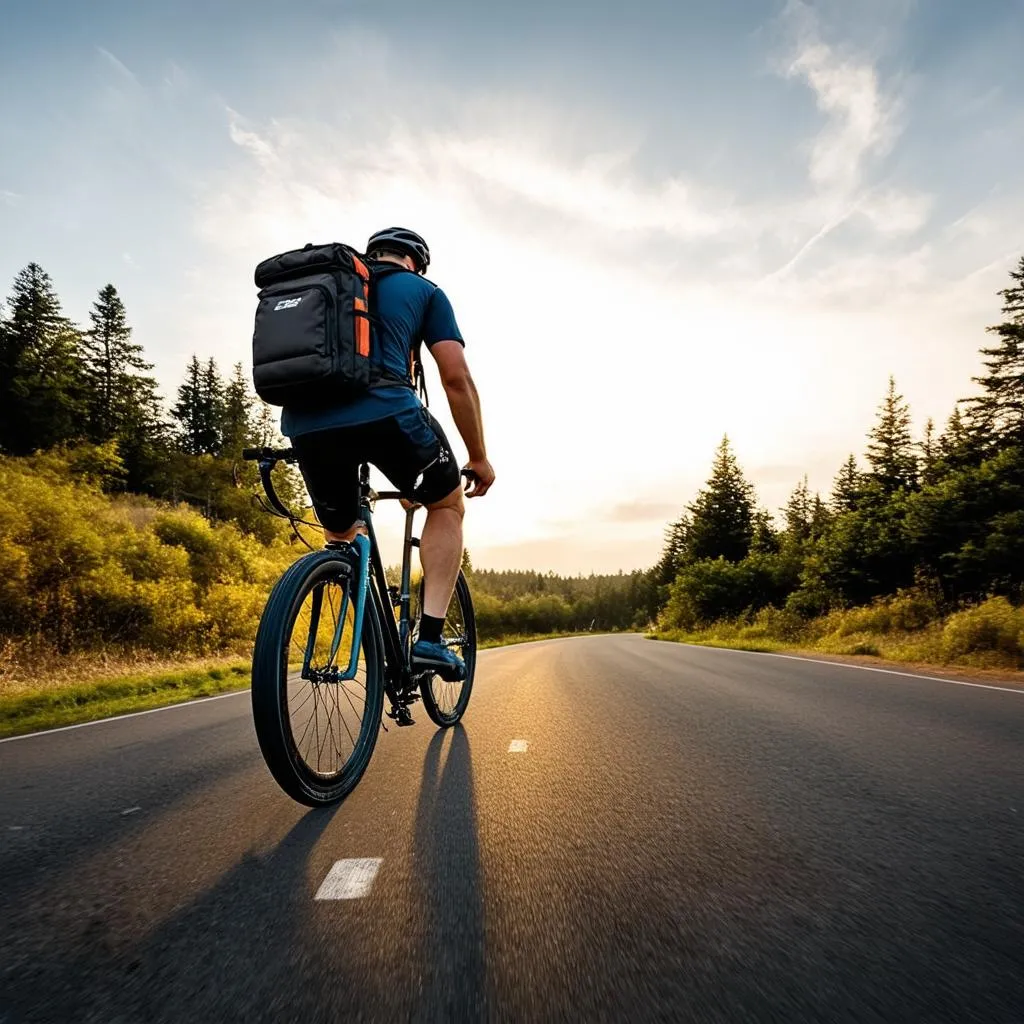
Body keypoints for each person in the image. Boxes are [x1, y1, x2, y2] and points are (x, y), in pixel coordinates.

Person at [280, 227, 495, 682]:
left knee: (341, 531)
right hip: (388, 414)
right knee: (447, 504)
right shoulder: (424, 291)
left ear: (371, 255)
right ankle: (430, 641)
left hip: (307, 426)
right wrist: (478, 457)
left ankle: (354, 616)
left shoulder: (327, 289)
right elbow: (455, 378)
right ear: (416, 260)